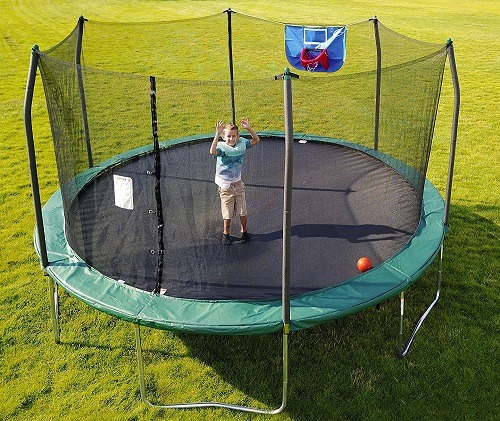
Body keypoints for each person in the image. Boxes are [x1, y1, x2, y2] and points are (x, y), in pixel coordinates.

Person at [210, 118, 260, 245]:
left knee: (242, 211)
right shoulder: (221, 148)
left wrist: (248, 128)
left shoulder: (242, 143)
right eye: (228, 136)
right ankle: (226, 234)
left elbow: (256, 140)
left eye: (233, 136)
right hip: (225, 186)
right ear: (223, 137)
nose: (231, 139)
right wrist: (217, 134)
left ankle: (244, 231)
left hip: (238, 184)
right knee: (227, 213)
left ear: (238, 136)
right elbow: (212, 151)